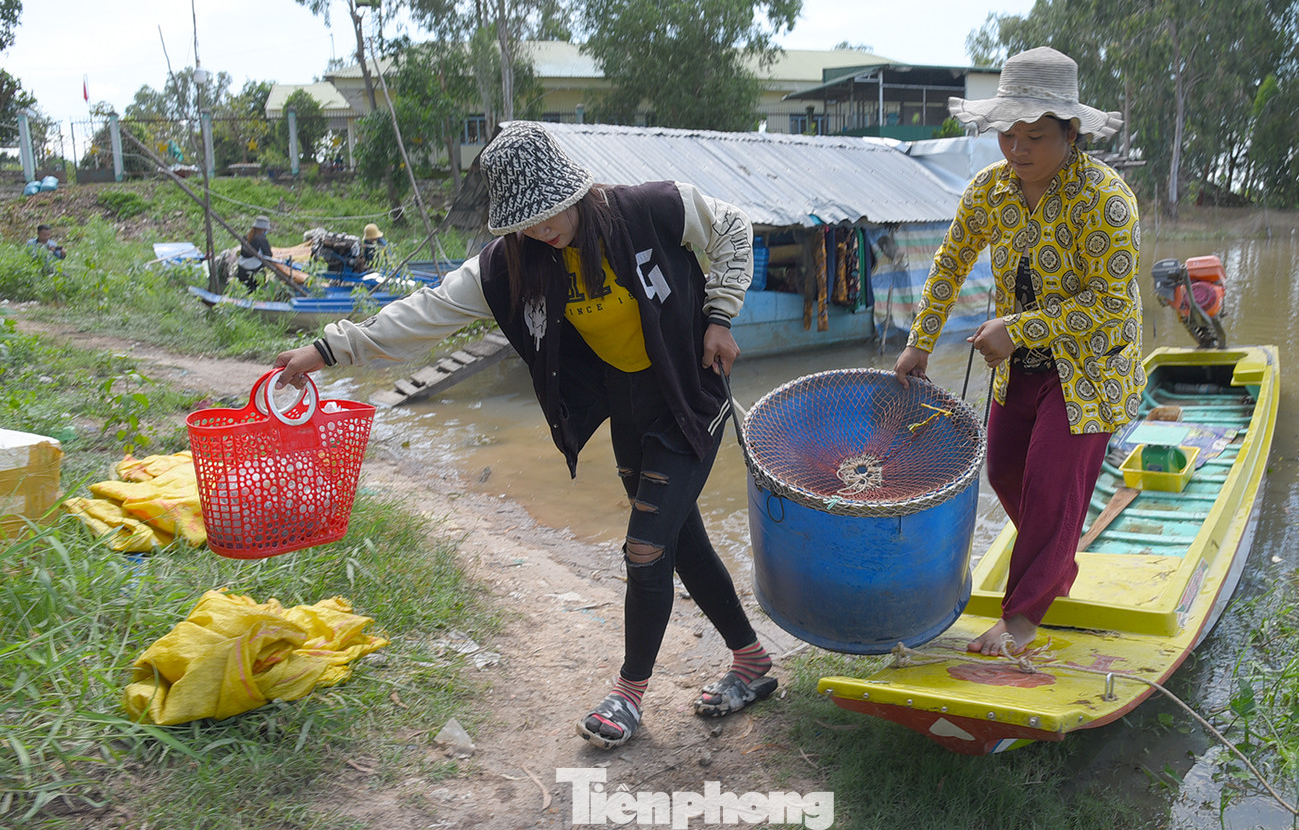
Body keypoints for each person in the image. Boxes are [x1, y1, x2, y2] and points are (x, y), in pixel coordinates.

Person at [271, 121, 776, 749]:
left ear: (574, 189)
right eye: (526, 221)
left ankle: (628, 693)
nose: (542, 229)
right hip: (628, 405)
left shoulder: (651, 207)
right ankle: (752, 662)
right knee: (680, 539)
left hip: (686, 389)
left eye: (549, 213)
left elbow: (734, 227)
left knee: (645, 548)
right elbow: (422, 315)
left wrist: (721, 315)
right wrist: (327, 349)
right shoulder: (509, 265)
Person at [893, 46, 1145, 657]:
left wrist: (1020, 328)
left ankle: (1023, 616)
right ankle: (1055, 562)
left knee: (1052, 475)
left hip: (1090, 366)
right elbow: (950, 265)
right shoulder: (989, 191)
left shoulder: (1107, 200)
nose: (1018, 149)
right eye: (1008, 134)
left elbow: (1111, 303)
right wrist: (920, 342)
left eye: (1035, 135)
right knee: (1004, 468)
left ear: (1072, 132)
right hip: (1020, 366)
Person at [236, 216, 273, 292]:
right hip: (253, 272)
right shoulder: (261, 239)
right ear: (264, 229)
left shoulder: (246, 236)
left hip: (241, 270)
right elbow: (268, 255)